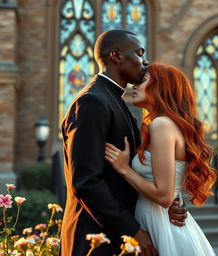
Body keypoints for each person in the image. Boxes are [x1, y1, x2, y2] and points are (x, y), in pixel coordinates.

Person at [60, 31, 187, 256]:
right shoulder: (92, 101)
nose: (145, 62)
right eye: (139, 54)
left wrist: (167, 205)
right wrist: (133, 231)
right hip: (95, 240)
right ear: (116, 56)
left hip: (119, 238)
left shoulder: (119, 103)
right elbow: (86, 182)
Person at [105, 63, 217, 255]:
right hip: (160, 218)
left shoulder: (162, 124)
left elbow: (164, 196)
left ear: (160, 86)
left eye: (142, 81)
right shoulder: (164, 125)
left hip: (160, 222)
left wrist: (124, 169)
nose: (134, 86)